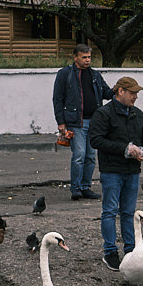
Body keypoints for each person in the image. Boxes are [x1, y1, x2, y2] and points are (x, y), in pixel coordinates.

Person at [88, 76, 143, 268]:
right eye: (132, 93)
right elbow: (95, 140)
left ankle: (131, 250)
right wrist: (125, 148)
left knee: (128, 212)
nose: (135, 97)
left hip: (132, 170)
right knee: (109, 211)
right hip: (112, 170)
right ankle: (110, 251)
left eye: (137, 93)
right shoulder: (103, 113)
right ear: (120, 91)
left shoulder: (137, 114)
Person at [52, 45, 111, 199]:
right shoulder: (65, 74)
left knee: (91, 156)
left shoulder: (95, 75)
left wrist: (121, 88)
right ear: (75, 57)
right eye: (84, 57)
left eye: (89, 57)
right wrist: (61, 122)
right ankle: (76, 188)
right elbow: (57, 99)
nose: (87, 60)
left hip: (95, 122)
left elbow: (106, 92)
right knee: (79, 155)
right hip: (76, 122)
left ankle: (86, 187)